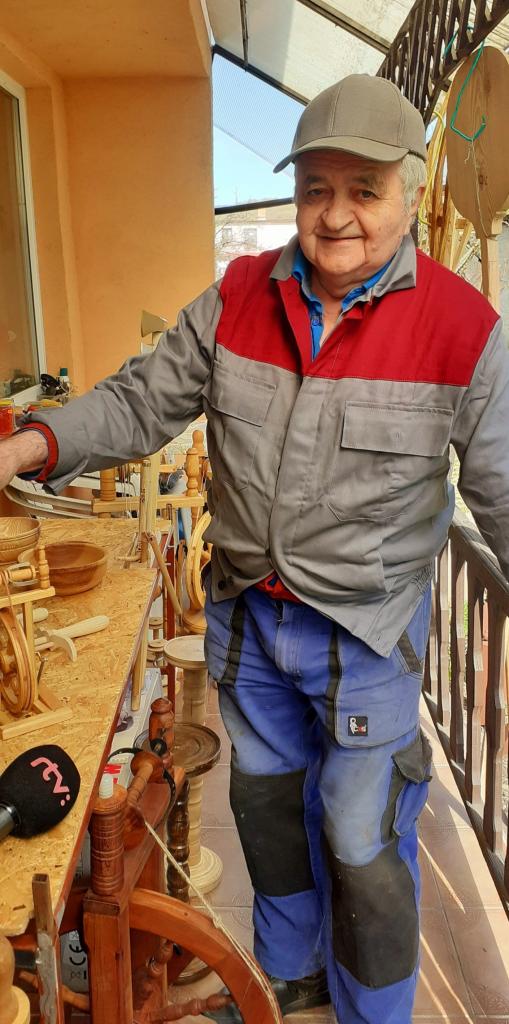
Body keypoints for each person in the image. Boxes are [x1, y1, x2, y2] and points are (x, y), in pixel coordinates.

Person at [2, 74, 509, 1024]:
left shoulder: (463, 328)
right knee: (269, 817)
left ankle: (371, 1015)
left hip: (366, 638)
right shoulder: (239, 295)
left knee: (360, 843)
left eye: (363, 189)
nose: (336, 215)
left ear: (407, 191)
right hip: (249, 621)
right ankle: (288, 983)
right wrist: (28, 445)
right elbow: (140, 401)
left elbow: (504, 489)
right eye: (316, 188)